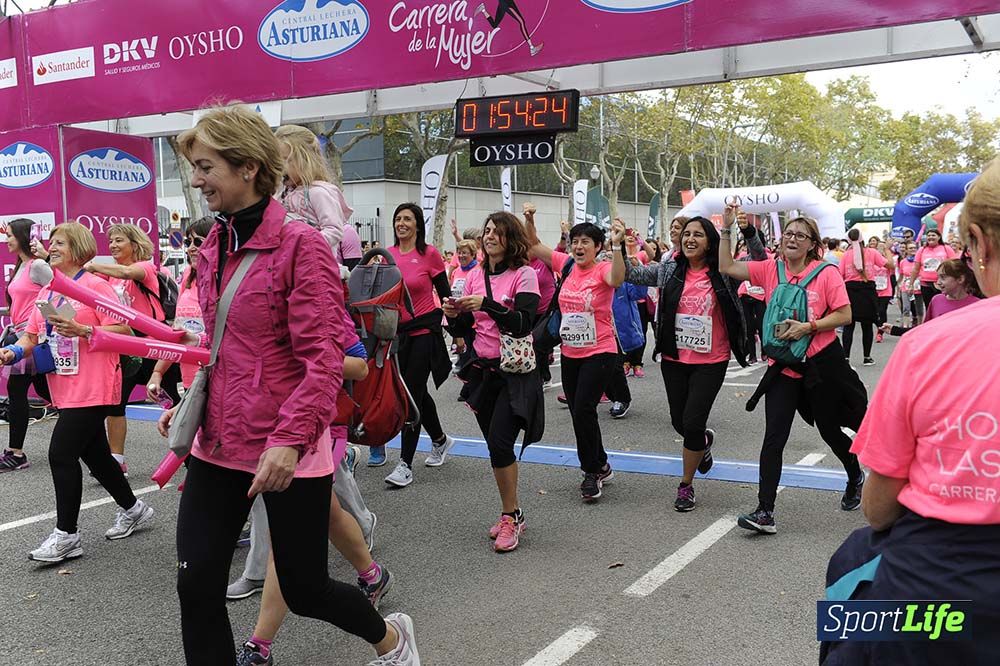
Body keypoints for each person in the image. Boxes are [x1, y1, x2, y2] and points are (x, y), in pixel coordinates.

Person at [164, 104, 418, 666]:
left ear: (248, 167)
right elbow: (226, 346)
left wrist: (288, 439)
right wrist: (192, 399)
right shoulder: (213, 246)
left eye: (206, 167)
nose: (197, 179)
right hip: (219, 443)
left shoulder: (301, 247)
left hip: (288, 447)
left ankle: (393, 640)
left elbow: (324, 358)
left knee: (304, 589)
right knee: (196, 581)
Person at [821, 160, 1000, 666]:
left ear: (979, 245)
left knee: (844, 600)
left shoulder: (928, 345)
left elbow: (878, 508)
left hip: (937, 595)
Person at [234, 313, 391, 666]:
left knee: (286, 542)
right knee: (329, 516)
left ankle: (259, 645)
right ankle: (373, 574)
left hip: (311, 431)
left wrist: (294, 359)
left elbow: (359, 366)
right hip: (256, 433)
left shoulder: (318, 302)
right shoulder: (237, 289)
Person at [1, 222, 155, 561]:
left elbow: (125, 327)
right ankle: (133, 509)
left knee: (61, 453)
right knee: (96, 455)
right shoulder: (48, 291)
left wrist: (83, 329)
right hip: (65, 386)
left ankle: (67, 536)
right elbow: (31, 336)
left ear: (78, 248)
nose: (50, 248)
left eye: (59, 243)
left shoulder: (96, 285)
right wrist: (13, 352)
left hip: (97, 384)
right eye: (50, 243)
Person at [719, 216, 866, 534]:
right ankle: (765, 511)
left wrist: (808, 326)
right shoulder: (771, 268)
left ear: (814, 244)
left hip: (822, 367)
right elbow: (727, 267)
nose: (793, 239)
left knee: (830, 430)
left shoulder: (826, 273)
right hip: (783, 367)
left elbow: (845, 314)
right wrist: (727, 227)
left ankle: (855, 473)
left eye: (801, 235)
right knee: (774, 437)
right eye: (788, 233)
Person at [628, 207, 763, 511]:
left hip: (711, 360)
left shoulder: (724, 270)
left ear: (710, 241)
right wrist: (619, 247)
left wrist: (746, 232)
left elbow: (759, 263)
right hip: (675, 358)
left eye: (697, 234)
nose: (689, 239)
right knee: (680, 421)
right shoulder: (670, 268)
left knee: (692, 421)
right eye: (686, 234)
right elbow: (633, 274)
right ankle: (701, 443)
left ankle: (685, 485)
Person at [445, 212, 542, 552]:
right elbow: (463, 330)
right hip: (481, 371)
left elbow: (523, 322)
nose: (489, 236)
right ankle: (513, 512)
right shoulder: (474, 276)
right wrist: (453, 315)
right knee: (495, 447)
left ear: (510, 238)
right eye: (486, 231)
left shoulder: (524, 274)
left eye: (496, 232)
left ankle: (510, 516)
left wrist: (486, 304)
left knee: (501, 444)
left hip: (513, 374)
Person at [529, 219, 626, 501]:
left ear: (598, 247)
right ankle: (602, 463)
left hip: (601, 351)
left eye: (586, 242)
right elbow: (533, 245)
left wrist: (618, 246)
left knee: (583, 407)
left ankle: (591, 471)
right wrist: (530, 218)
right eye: (575, 241)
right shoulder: (567, 265)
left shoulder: (604, 268)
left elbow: (618, 279)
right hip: (571, 351)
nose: (579, 246)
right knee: (578, 410)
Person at [85, 223, 181, 476]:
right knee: (116, 403)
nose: (114, 245)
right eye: (111, 241)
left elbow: (129, 273)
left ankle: (192, 451)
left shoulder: (145, 267)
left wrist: (94, 265)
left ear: (134, 244)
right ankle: (116, 459)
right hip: (128, 346)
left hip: (155, 346)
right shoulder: (109, 275)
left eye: (119, 241)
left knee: (172, 402)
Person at [382, 203, 455, 488]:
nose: (401, 223)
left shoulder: (429, 254)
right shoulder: (386, 255)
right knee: (417, 392)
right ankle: (440, 440)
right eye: (397, 218)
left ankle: (405, 464)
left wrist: (460, 332)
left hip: (425, 329)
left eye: (407, 219)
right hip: (396, 333)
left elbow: (446, 294)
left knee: (408, 392)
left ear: (417, 225)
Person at [0, 219, 53, 472]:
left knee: (17, 389)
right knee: (47, 391)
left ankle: (16, 453)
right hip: (22, 336)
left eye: (10, 235)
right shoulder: (23, 265)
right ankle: (88, 433)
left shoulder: (38, 265)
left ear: (22, 236)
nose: (6, 239)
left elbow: (61, 290)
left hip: (35, 339)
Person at [147, 216, 214, 400]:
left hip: (217, 378)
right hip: (189, 376)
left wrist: (199, 340)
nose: (191, 247)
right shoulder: (187, 277)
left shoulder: (225, 283)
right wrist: (158, 372)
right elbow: (177, 333)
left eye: (198, 242)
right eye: (188, 242)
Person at [275, 124, 353, 254]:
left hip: (315, 264)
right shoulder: (281, 194)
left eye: (285, 160)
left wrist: (306, 246)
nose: (279, 167)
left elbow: (334, 230)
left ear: (305, 160)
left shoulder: (318, 193)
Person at [839, 227, 892, 366]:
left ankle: (846, 357)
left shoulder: (845, 255)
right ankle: (867, 357)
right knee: (867, 325)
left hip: (850, 290)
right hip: (868, 290)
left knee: (848, 325)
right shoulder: (872, 252)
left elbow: (841, 275)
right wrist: (887, 250)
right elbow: (890, 265)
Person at [911, 223, 957, 308]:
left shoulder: (946, 248)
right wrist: (911, 284)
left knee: (943, 306)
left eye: (933, 235)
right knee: (929, 307)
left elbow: (954, 265)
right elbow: (916, 268)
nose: (930, 237)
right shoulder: (922, 250)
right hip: (925, 284)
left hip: (943, 283)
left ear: (939, 237)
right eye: (928, 235)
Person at [475, 0, 543, 56]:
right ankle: (532, 48)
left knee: (494, 25)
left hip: (505, 3)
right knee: (521, 22)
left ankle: (483, 9)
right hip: (506, 3)